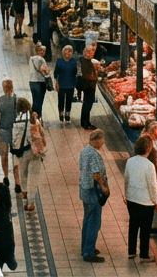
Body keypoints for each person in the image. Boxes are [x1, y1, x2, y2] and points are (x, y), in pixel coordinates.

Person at [124, 134, 157, 261]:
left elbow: (126, 179)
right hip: (145, 202)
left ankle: (131, 251)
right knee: (145, 228)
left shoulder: (130, 161)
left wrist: (126, 195)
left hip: (131, 199)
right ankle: (144, 254)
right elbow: (152, 185)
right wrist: (156, 201)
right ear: (149, 149)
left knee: (133, 226)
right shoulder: (149, 165)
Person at [79, 129, 109, 263]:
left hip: (84, 189)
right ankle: (88, 252)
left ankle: (85, 247)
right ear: (97, 140)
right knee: (94, 223)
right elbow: (96, 174)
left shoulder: (84, 150)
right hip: (93, 192)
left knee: (87, 220)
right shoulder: (94, 154)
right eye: (102, 139)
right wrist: (103, 187)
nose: (103, 142)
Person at [18, 101, 47, 212]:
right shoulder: (35, 120)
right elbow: (42, 134)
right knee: (33, 177)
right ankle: (31, 202)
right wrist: (43, 147)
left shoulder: (17, 120)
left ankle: (24, 192)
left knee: (23, 173)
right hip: (36, 151)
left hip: (23, 150)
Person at [0, 78, 19, 188]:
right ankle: (17, 182)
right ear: (12, 87)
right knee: (16, 157)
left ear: (4, 88)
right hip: (15, 132)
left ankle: (6, 176)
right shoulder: (17, 99)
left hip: (2, 131)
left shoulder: (0, 100)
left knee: (4, 155)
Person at [78, 43, 100, 129]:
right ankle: (85, 123)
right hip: (88, 86)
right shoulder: (86, 62)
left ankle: (85, 121)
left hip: (89, 85)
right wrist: (96, 77)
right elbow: (88, 75)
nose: (91, 53)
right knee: (88, 104)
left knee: (87, 104)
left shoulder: (86, 61)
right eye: (89, 52)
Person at [53, 45, 77, 124]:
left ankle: (67, 113)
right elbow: (56, 73)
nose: (68, 53)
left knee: (69, 100)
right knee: (61, 99)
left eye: (70, 52)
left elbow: (75, 72)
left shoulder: (73, 61)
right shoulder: (59, 61)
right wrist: (56, 83)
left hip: (71, 84)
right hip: (61, 84)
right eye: (67, 51)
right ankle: (61, 113)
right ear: (63, 52)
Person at [28, 43, 51, 119]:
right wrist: (48, 74)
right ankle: (38, 117)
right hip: (40, 82)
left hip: (32, 82)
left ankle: (33, 117)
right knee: (40, 101)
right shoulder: (42, 59)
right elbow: (44, 70)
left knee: (35, 100)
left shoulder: (31, 59)